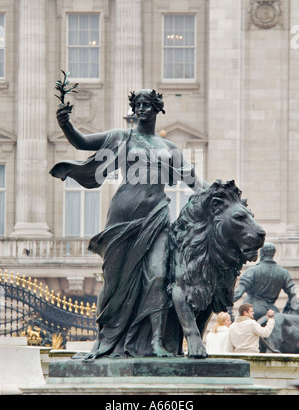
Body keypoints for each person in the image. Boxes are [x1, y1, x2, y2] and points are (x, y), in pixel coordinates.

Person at [50, 89, 208, 358]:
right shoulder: (121, 137)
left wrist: (221, 192)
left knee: (158, 276)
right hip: (123, 217)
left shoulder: (169, 148)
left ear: (158, 109)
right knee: (113, 283)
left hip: (157, 215)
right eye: (138, 105)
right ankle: (105, 337)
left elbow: (193, 182)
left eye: (148, 105)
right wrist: (65, 124)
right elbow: (82, 142)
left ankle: (157, 341)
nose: (142, 109)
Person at [233, 242, 297, 321]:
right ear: (273, 254)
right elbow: (293, 294)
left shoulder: (252, 271)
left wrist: (225, 302)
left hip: (252, 309)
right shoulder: (284, 273)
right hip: (272, 311)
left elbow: (238, 293)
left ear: (262, 254)